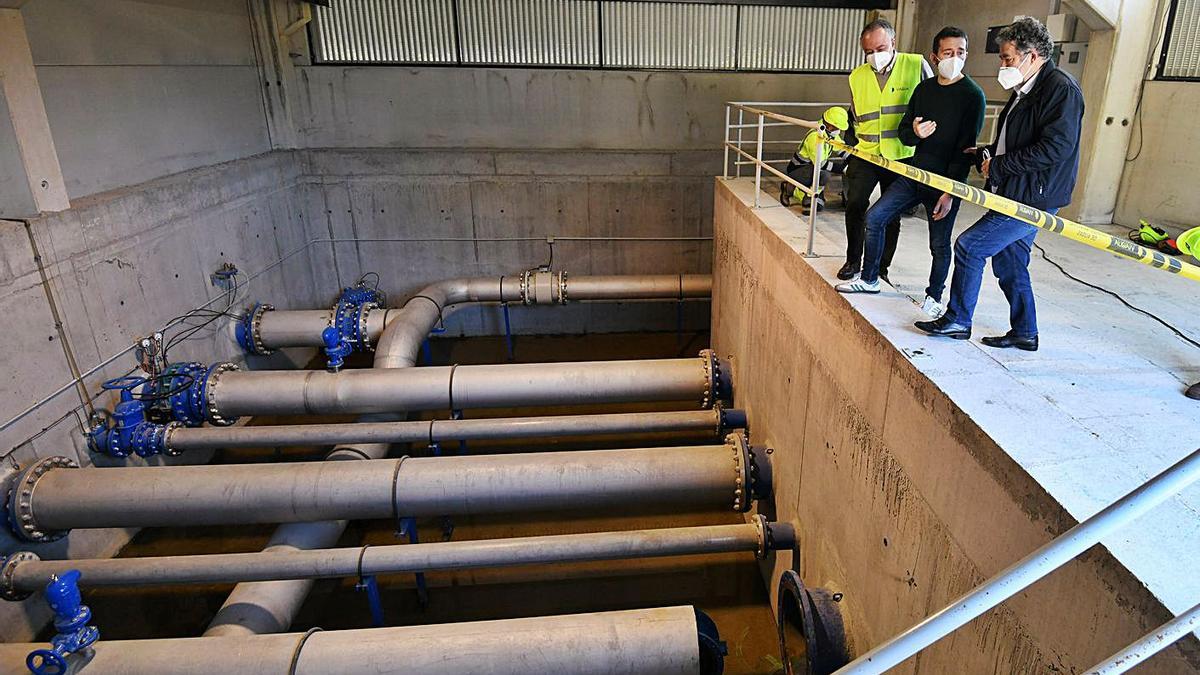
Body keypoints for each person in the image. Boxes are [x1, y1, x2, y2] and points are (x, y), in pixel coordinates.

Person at [915, 16, 1084, 351]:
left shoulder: (1059, 90)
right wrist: (986, 152)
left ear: (1032, 55)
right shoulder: (1026, 88)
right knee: (1009, 262)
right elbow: (1019, 138)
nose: (1004, 65)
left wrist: (1000, 165)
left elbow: (1056, 148)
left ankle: (958, 320)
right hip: (1016, 186)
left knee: (970, 246)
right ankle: (1025, 331)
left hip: (1032, 195)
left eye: (1008, 58)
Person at [835, 26, 985, 319]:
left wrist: (951, 191)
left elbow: (966, 149)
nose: (953, 58)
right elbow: (906, 129)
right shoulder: (924, 90)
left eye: (960, 53)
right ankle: (868, 278)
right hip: (909, 169)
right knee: (873, 216)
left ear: (893, 42)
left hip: (936, 177)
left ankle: (933, 295)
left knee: (938, 243)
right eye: (947, 53)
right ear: (936, 55)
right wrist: (914, 132)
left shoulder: (970, 95)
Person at [839, 18, 932, 281]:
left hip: (901, 153)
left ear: (893, 42)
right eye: (868, 51)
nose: (874, 56)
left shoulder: (915, 65)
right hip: (866, 152)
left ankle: (881, 268)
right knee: (855, 205)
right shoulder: (857, 76)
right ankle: (852, 260)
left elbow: (932, 102)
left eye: (879, 48)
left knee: (889, 214)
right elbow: (856, 114)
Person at [779, 106, 850, 214]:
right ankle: (800, 194)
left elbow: (841, 149)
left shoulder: (830, 134)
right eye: (837, 128)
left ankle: (802, 193)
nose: (839, 131)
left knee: (819, 207)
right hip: (798, 171)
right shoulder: (815, 136)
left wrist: (856, 159)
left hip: (812, 171)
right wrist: (843, 169)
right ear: (830, 126)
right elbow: (820, 164)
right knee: (825, 174)